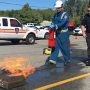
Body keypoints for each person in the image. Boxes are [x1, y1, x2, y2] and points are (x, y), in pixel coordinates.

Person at [47, 0, 70, 66]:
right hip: (57, 33)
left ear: (62, 6)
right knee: (55, 46)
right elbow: (53, 21)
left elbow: (63, 22)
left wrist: (56, 25)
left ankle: (67, 59)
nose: (57, 9)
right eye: (56, 8)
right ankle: (53, 59)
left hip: (64, 34)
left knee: (64, 47)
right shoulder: (56, 15)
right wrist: (51, 24)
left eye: (58, 8)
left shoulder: (65, 14)